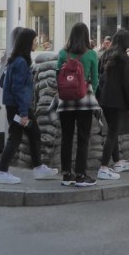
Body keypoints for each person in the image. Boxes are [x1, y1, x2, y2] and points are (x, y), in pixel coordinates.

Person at [0, 28, 58, 184]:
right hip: (18, 108)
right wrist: (23, 113)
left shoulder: (17, 60)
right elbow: (19, 89)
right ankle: (2, 171)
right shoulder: (21, 63)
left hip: (17, 107)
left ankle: (38, 168)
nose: (36, 43)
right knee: (15, 138)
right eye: (34, 40)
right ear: (27, 42)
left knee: (34, 133)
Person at [55, 22, 100, 187]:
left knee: (66, 138)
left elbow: (57, 76)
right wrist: (89, 92)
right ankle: (81, 175)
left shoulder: (62, 53)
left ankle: (66, 175)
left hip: (65, 101)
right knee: (83, 138)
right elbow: (95, 79)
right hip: (84, 101)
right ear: (86, 36)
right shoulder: (91, 54)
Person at [96, 28, 129, 181]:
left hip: (104, 99)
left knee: (113, 130)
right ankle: (104, 167)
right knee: (113, 132)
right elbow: (127, 82)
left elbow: (100, 76)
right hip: (117, 99)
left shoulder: (105, 54)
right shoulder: (123, 57)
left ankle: (117, 162)